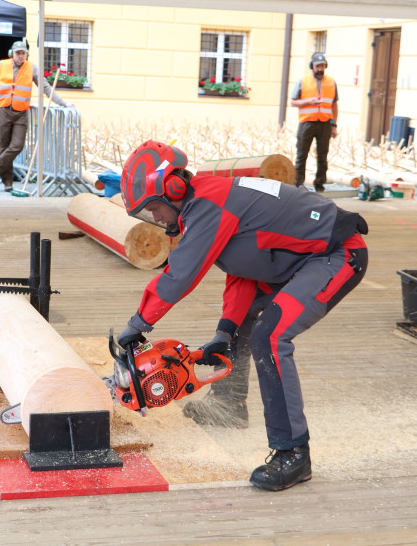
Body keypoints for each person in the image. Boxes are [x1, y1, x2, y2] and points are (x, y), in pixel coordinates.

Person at [117, 140, 368, 492]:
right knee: (242, 328)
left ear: (174, 188)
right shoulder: (208, 201)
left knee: (271, 336)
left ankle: (293, 453)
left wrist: (138, 324)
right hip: (294, 260)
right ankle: (230, 404)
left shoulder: (208, 205)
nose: (156, 218)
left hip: (336, 255)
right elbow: (244, 266)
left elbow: (181, 274)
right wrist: (226, 329)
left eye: (155, 208)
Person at [0, 40, 71, 191]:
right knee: (4, 147)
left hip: (20, 112)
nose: (20, 56)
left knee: (17, 145)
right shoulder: (3, 64)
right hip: (2, 109)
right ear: (12, 54)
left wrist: (63, 103)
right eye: (18, 53)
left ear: (27, 54)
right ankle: (7, 183)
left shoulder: (32, 68)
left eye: (23, 53)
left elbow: (45, 87)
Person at [291, 52, 338, 192]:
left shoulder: (331, 82)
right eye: (317, 66)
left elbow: (334, 105)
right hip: (307, 123)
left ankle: (320, 183)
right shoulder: (302, 81)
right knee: (301, 155)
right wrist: (308, 101)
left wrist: (334, 125)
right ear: (312, 66)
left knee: (323, 156)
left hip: (325, 123)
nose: (320, 69)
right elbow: (293, 102)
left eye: (322, 66)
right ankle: (298, 184)